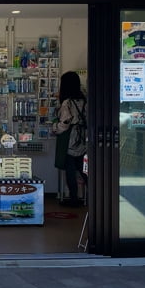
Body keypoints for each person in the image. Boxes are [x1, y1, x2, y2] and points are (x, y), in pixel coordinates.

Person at [54, 71, 87, 207]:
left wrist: (55, 127)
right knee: (84, 169)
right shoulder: (84, 100)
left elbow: (65, 122)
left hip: (70, 139)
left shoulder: (67, 103)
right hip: (83, 138)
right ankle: (93, 195)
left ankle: (73, 199)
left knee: (70, 170)